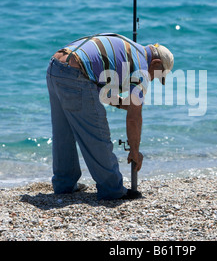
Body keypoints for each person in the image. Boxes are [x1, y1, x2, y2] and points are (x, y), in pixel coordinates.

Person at [46, 33, 174, 200]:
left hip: (55, 67)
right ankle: (112, 189)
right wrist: (135, 152)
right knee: (97, 134)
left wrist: (125, 104)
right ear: (156, 63)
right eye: (157, 75)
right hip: (76, 73)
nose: (153, 79)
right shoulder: (142, 68)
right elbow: (134, 119)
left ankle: (65, 185)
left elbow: (99, 90)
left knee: (64, 132)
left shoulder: (130, 49)